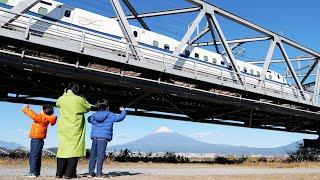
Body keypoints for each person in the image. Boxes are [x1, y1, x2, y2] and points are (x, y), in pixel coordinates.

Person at [55, 82, 91, 179]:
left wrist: (64, 94)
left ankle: (59, 174)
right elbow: (88, 107)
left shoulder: (62, 99)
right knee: (73, 150)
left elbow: (57, 103)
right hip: (75, 128)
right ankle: (69, 174)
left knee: (62, 150)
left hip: (63, 128)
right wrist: (83, 98)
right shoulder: (79, 99)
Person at [87, 99, 127, 178]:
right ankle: (99, 173)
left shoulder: (94, 115)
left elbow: (89, 119)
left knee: (93, 155)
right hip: (103, 138)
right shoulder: (110, 115)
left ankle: (90, 172)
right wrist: (124, 111)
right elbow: (119, 118)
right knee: (100, 156)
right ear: (107, 107)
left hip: (95, 137)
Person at [22, 104, 57, 178]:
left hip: (36, 139)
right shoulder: (44, 118)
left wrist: (25, 109)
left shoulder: (42, 117)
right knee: (36, 156)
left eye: (41, 109)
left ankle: (33, 172)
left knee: (33, 156)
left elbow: (33, 115)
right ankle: (36, 172)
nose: (40, 111)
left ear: (44, 111)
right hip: (38, 140)